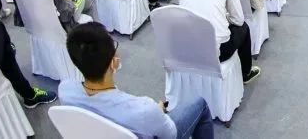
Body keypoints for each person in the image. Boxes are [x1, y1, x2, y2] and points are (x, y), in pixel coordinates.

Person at [60, 22, 213, 139]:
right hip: (155, 121)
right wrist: (159, 113)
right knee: (199, 103)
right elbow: (171, 135)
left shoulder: (65, 90)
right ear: (113, 63)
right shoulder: (144, 109)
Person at [175, 0, 261, 84]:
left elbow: (183, 9)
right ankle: (245, 73)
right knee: (244, 27)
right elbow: (238, 20)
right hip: (217, 52)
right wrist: (225, 17)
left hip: (185, 49)